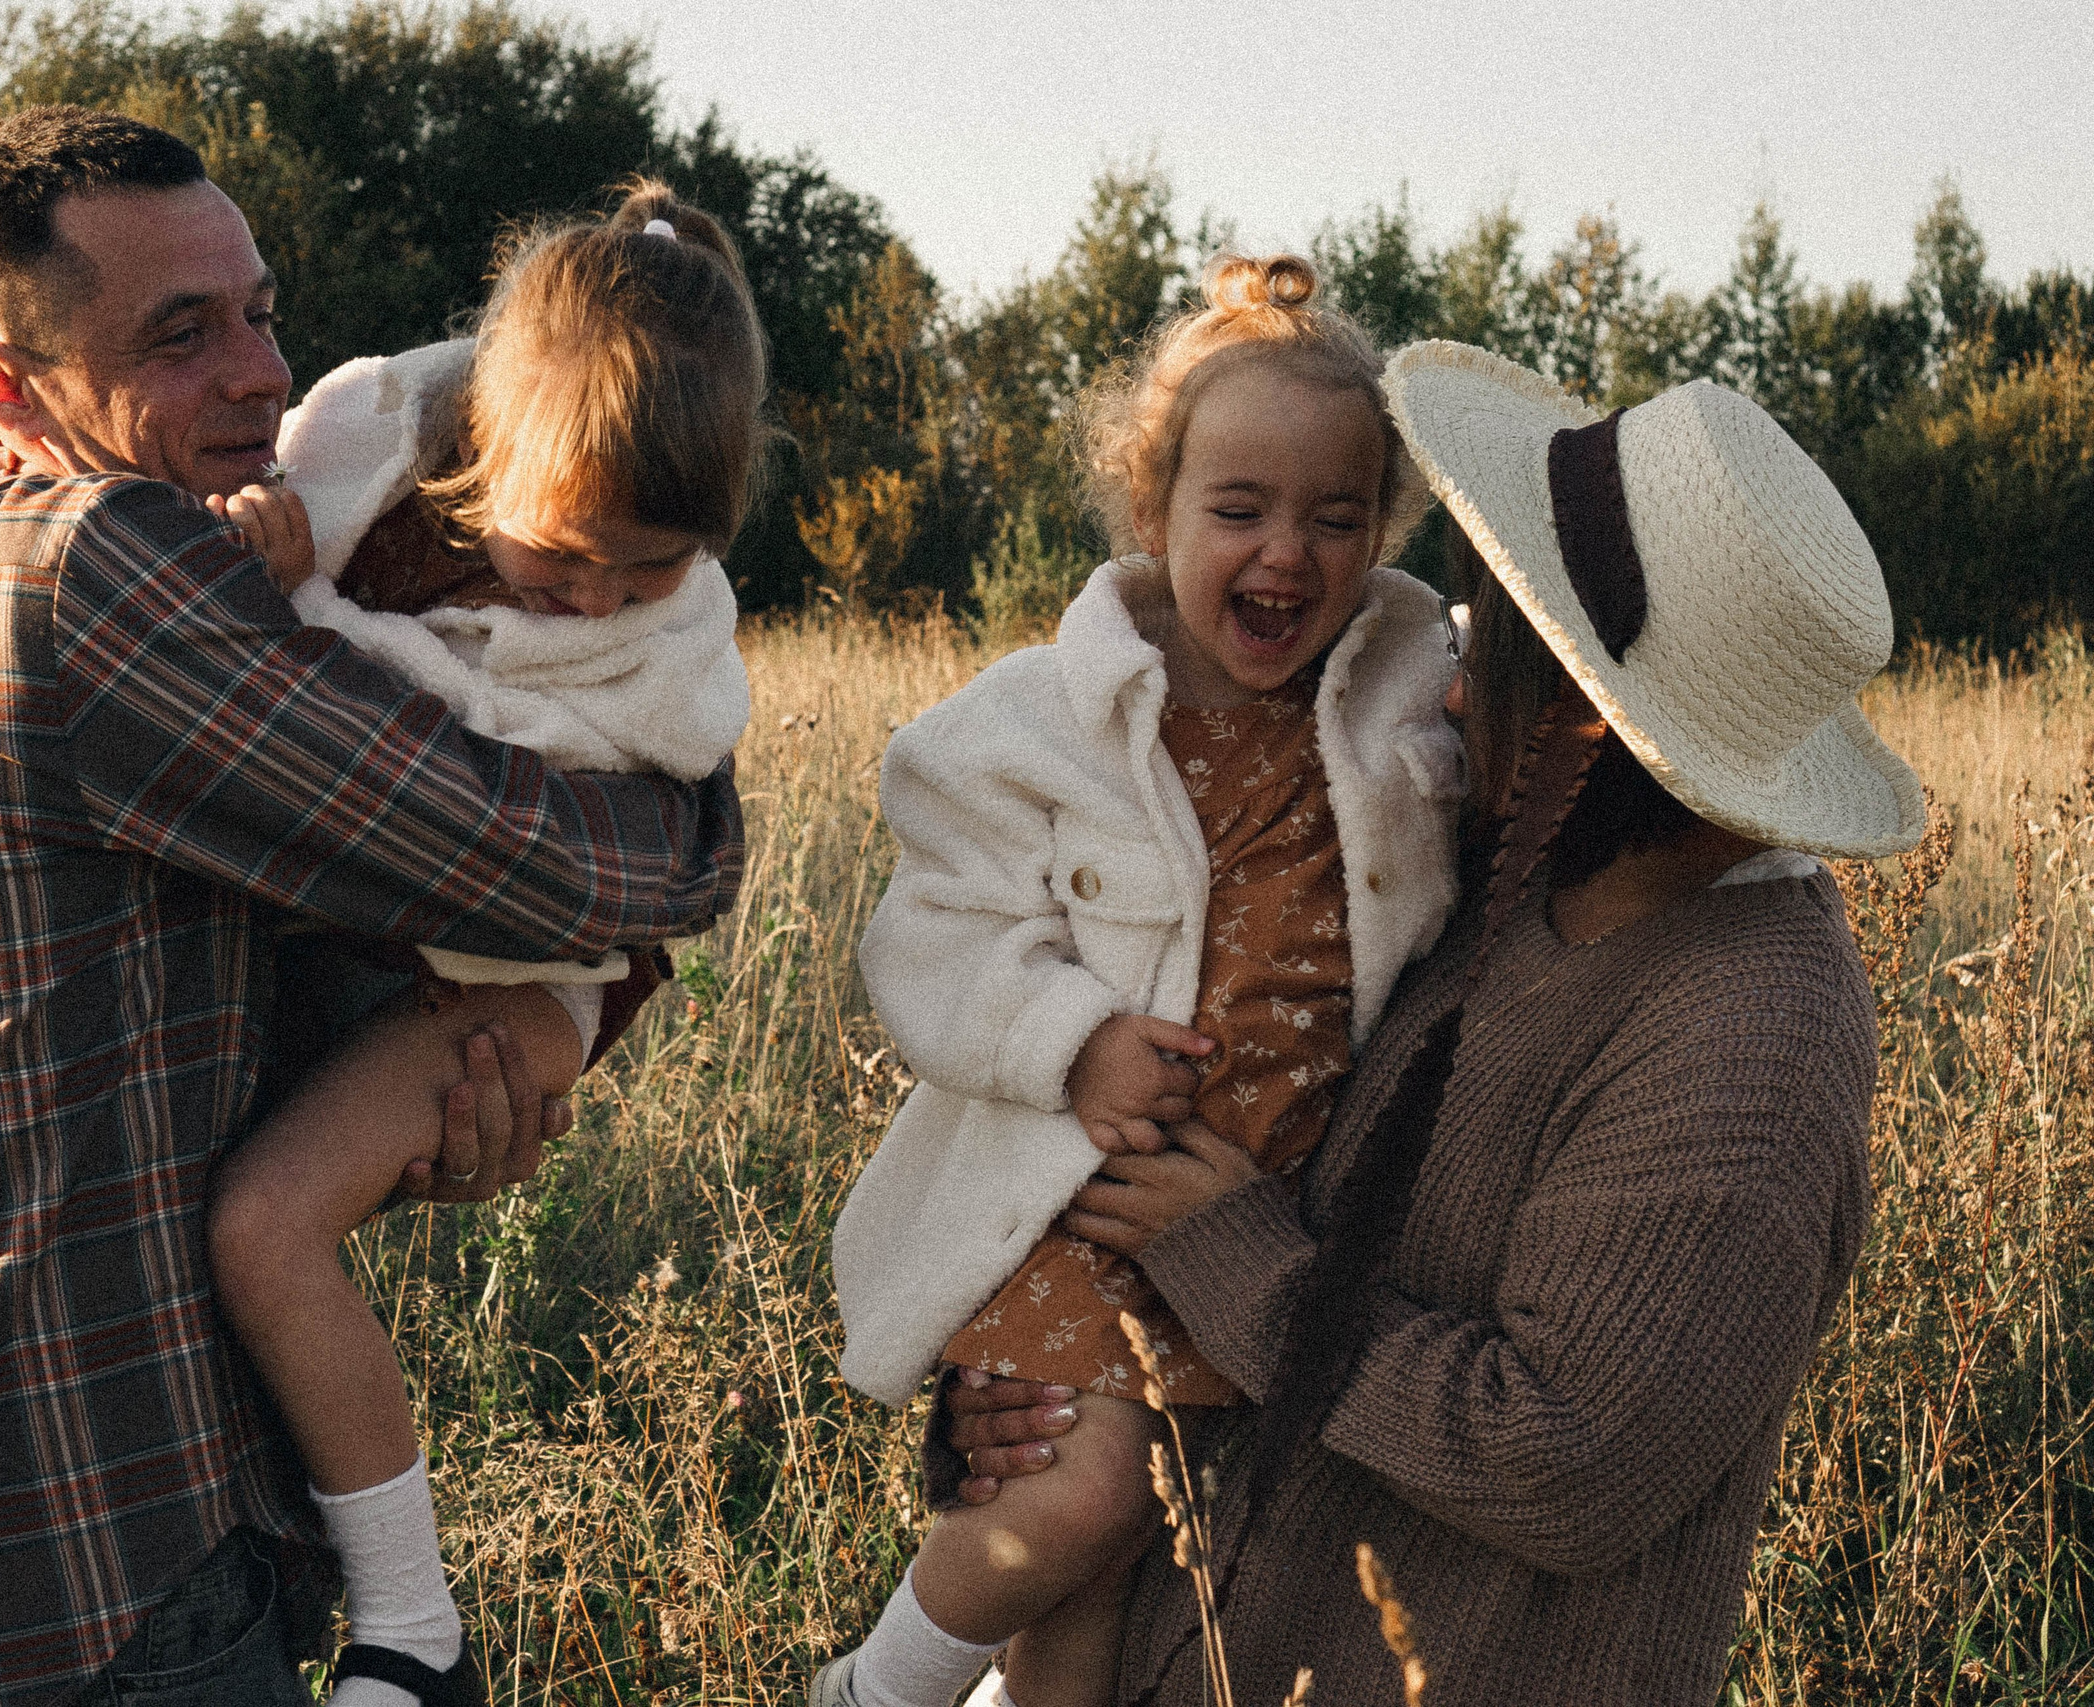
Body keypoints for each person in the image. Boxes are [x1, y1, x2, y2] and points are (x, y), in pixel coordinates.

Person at [0, 106, 742, 1707]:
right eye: (180, 333)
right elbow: (558, 864)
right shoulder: (99, 570)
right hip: (87, 1570)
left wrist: (406, 1107)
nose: (263, 375)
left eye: (263, 313)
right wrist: (701, 822)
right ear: (10, 387)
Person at [941, 341, 1923, 1707]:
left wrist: (1234, 1267)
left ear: (1604, 722)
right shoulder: (1509, 863)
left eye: (1505, 662)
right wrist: (1042, 1382)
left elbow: (1574, 1462)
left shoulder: (1751, 1029)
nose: (1457, 695)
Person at [819, 255, 1465, 1707]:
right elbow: (926, 934)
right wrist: (1072, 1038)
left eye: (1336, 517)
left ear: (1385, 536)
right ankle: (873, 1692)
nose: (1285, 554)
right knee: (1083, 1501)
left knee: (1114, 1594)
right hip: (1086, 1193)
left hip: (1261, 1213)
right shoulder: (1050, 720)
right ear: (1151, 507)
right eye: (1238, 511)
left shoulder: (1402, 712)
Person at [198, 180, 761, 1707]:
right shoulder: (368, 452)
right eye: (568, 554)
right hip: (370, 930)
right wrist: (283, 554)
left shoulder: (667, 650)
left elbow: (505, 782)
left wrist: (293, 617)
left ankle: (414, 1629)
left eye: (647, 569)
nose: (596, 598)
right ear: (481, 445)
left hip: (533, 978)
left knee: (265, 1220)